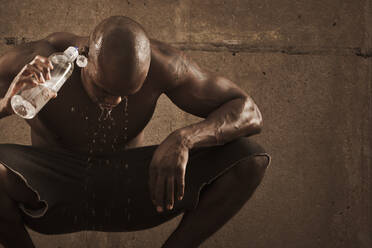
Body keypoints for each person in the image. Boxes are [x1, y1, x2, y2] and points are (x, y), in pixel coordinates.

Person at [0, 16, 271, 248]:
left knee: (249, 158)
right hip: (50, 190)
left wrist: (185, 139)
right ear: (83, 59)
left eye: (125, 94)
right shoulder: (33, 61)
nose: (114, 102)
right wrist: (4, 104)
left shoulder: (164, 64)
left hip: (128, 189)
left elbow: (248, 111)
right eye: (105, 90)